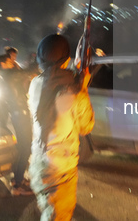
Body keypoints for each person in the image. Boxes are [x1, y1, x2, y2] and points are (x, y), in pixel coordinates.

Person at [28, 34, 95, 221]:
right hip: (60, 169)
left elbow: (55, 80)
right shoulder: (73, 90)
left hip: (39, 163)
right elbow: (86, 126)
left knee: (49, 214)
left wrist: (77, 79)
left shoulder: (35, 83)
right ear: (67, 60)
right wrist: (83, 87)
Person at [0, 54, 33, 195]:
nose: (13, 62)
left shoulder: (4, 75)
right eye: (10, 61)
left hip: (18, 114)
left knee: (22, 147)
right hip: (20, 114)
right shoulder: (9, 75)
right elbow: (29, 71)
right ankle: (18, 184)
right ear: (3, 64)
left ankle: (17, 179)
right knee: (26, 147)